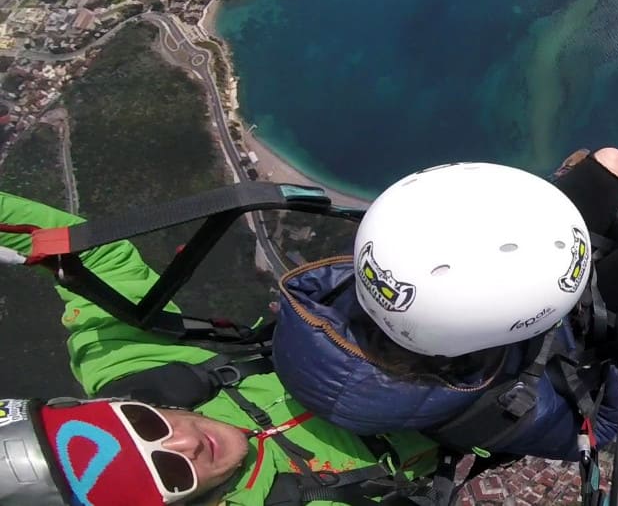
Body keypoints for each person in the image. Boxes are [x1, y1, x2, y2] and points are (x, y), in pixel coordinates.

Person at [271, 147, 618, 461]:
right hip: (573, 334)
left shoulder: (326, 297)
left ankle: (616, 190)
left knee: (607, 163)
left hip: (530, 298)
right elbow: (597, 431)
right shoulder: (500, 406)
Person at [0, 190, 438, 505]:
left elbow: (88, 257)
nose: (185, 444)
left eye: (142, 423)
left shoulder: (136, 369)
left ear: (114, 404)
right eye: (168, 474)